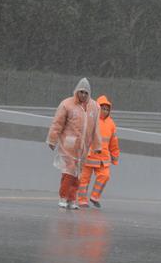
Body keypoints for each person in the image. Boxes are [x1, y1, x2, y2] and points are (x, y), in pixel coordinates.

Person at [47, 78, 102, 209]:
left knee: (78, 174)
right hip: (68, 145)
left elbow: (95, 128)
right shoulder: (67, 104)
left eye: (86, 93)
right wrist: (52, 140)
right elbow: (57, 123)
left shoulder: (94, 107)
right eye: (81, 92)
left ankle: (72, 199)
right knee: (68, 172)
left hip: (83, 147)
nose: (83, 95)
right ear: (76, 91)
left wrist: (97, 146)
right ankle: (63, 197)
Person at [77, 95, 120, 208]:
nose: (105, 111)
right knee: (84, 179)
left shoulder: (111, 124)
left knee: (105, 176)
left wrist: (115, 157)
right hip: (89, 156)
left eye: (107, 109)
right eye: (103, 108)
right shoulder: (91, 119)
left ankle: (94, 197)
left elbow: (113, 142)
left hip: (103, 158)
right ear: (98, 108)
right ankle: (82, 200)